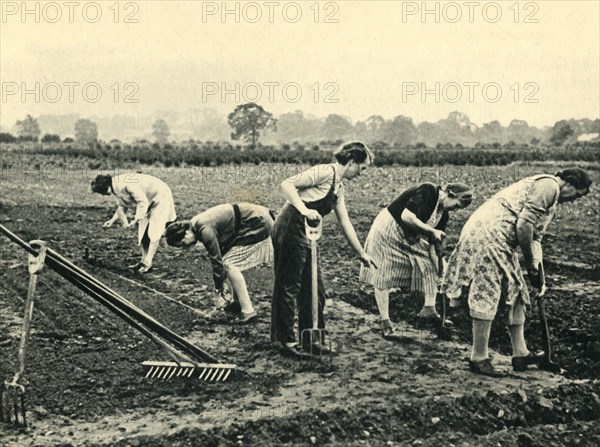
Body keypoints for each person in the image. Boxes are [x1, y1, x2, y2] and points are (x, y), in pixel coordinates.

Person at [442, 168, 592, 377]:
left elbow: (535, 238)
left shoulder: (551, 199)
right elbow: (523, 226)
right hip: (488, 235)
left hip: (501, 240)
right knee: (487, 292)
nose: (574, 200)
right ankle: (478, 357)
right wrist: (529, 261)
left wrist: (538, 271)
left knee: (517, 291)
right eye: (577, 194)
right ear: (570, 183)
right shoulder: (549, 185)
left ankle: (520, 352)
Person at [271, 141, 378, 357]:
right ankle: (285, 343)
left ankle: (311, 339)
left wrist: (361, 254)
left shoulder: (338, 186)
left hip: (306, 233)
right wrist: (304, 210)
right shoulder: (324, 171)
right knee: (289, 285)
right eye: (362, 168)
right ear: (351, 162)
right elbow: (287, 184)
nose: (362, 173)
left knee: (315, 288)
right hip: (290, 226)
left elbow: (345, 222)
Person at [359, 182, 473, 341]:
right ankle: (386, 323)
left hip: (409, 236)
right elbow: (407, 216)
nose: (456, 209)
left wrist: (441, 270)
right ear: (450, 194)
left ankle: (429, 309)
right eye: (457, 205)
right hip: (387, 229)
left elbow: (434, 247)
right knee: (383, 273)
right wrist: (431, 231)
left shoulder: (443, 215)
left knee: (428, 263)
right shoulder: (429, 191)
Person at [165, 203, 274, 324]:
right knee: (229, 262)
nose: (186, 248)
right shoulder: (194, 224)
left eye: (184, 244)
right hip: (253, 219)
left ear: (185, 233)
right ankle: (236, 303)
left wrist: (218, 291)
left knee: (229, 264)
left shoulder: (204, 230)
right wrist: (222, 286)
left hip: (258, 222)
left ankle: (248, 311)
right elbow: (221, 254)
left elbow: (216, 261)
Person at [91, 173, 176, 273]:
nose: (103, 195)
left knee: (154, 230)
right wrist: (112, 221)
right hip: (147, 201)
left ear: (106, 186)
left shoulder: (127, 185)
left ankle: (148, 262)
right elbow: (121, 206)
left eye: (102, 192)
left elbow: (142, 202)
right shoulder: (114, 187)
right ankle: (143, 260)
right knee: (142, 231)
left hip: (160, 196)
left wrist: (135, 219)